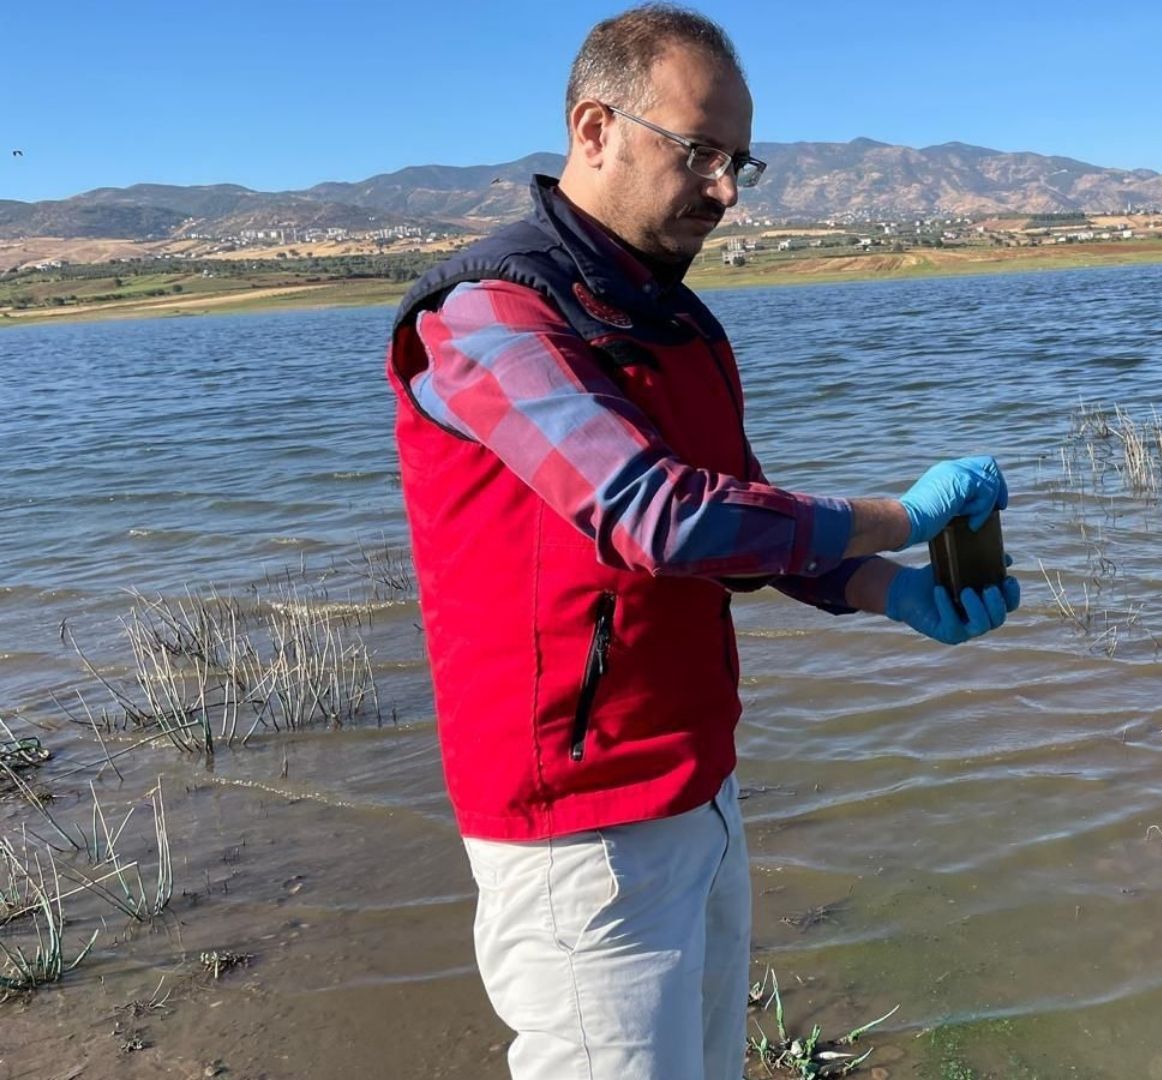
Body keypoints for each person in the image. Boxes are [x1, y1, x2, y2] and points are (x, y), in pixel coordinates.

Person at [381, 6, 1021, 1077]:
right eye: (701, 153)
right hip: (577, 826)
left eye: (740, 163)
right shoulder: (488, 316)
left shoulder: (672, 320)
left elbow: (741, 524)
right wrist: (904, 516)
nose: (726, 192)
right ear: (595, 129)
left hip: (697, 782)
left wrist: (890, 589)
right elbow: (662, 516)